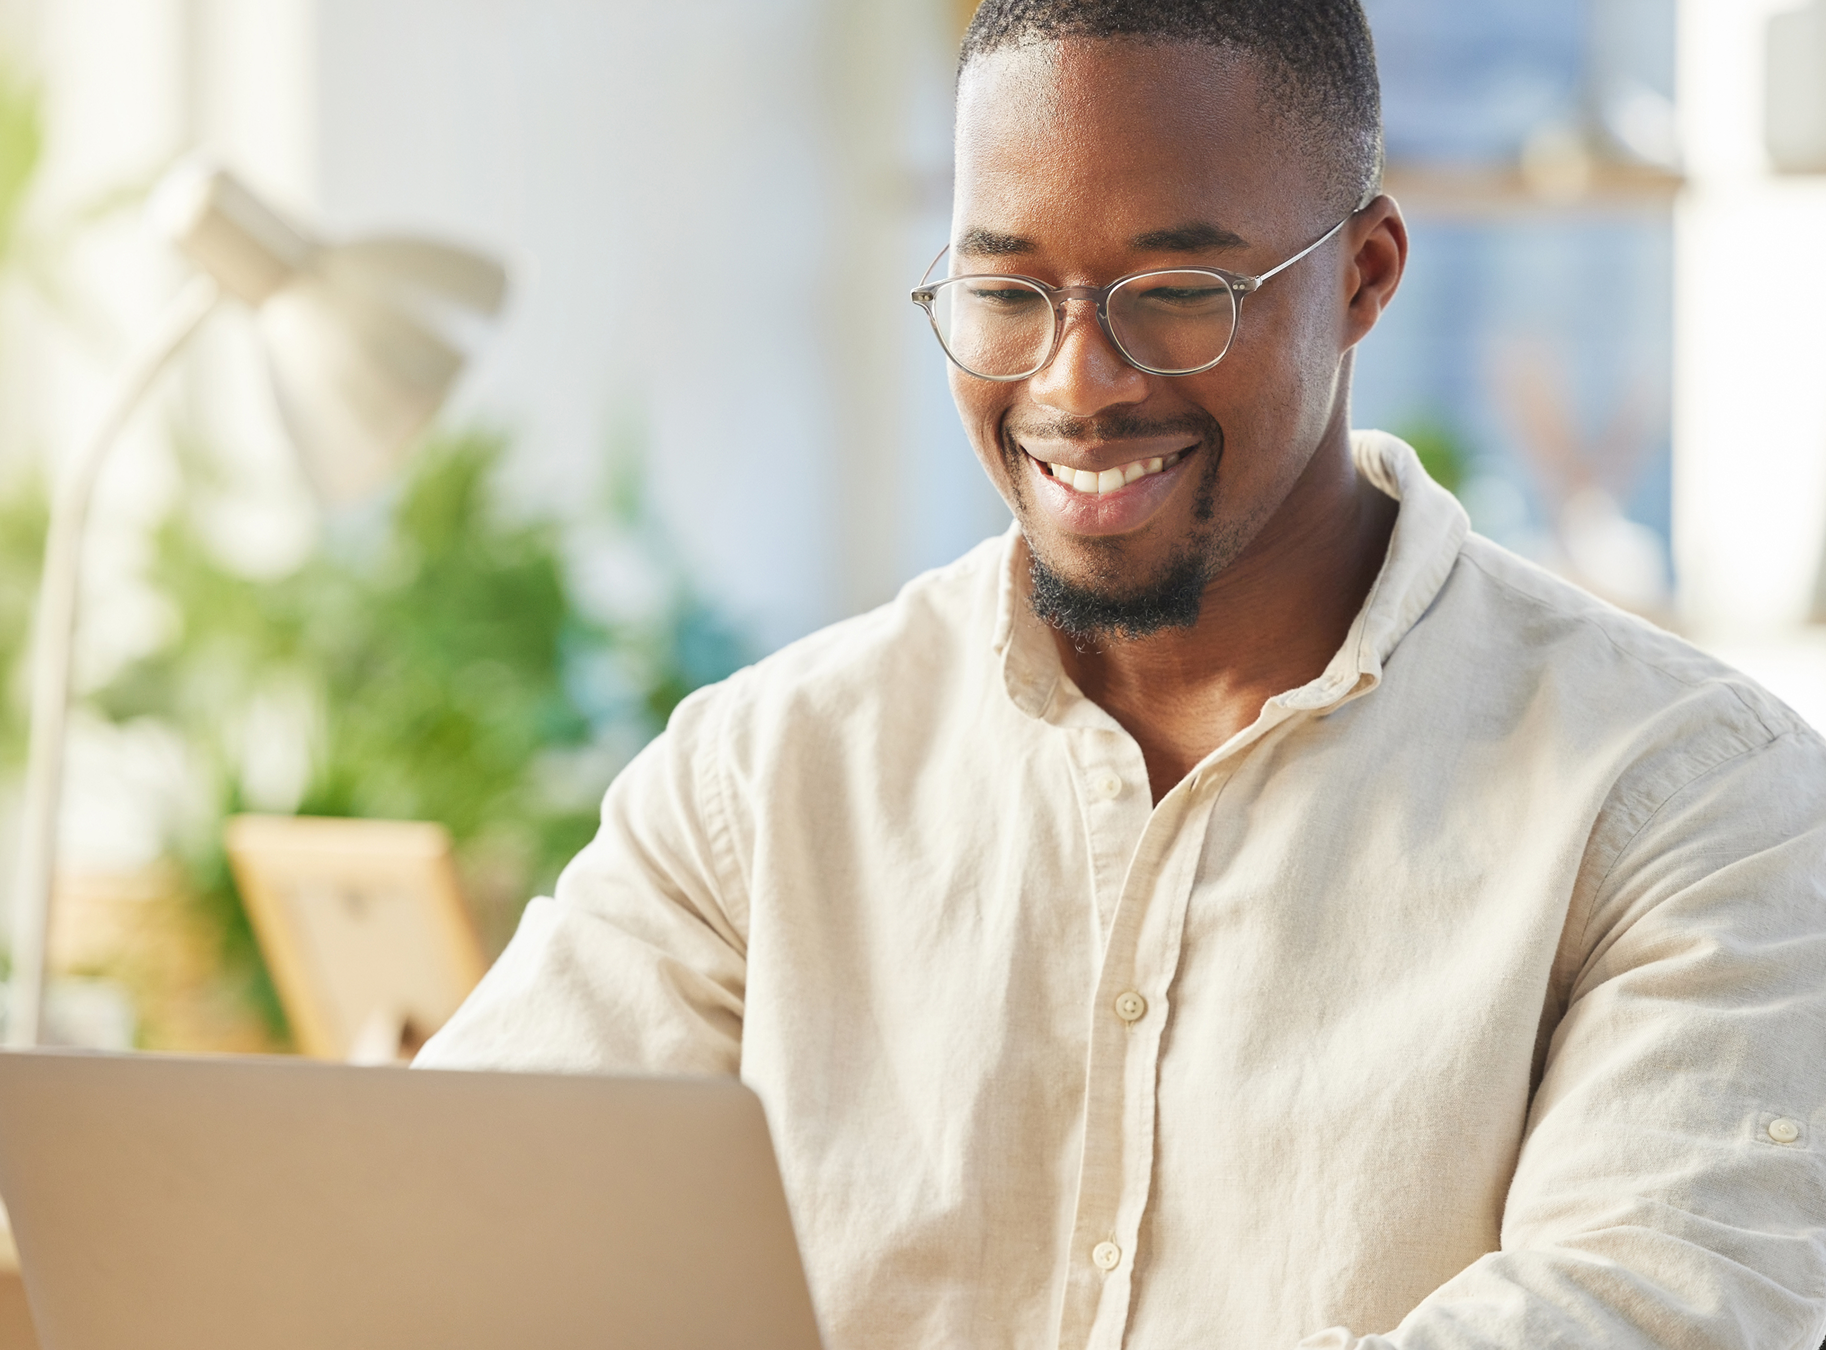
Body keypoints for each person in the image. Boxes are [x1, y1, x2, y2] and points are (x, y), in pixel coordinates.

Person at [417, 2, 1826, 1346]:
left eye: (1174, 292)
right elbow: (444, 1231)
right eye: (1006, 290)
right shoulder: (760, 777)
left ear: (1365, 276)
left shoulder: (1688, 799)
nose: (1075, 382)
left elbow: (1647, 1305)